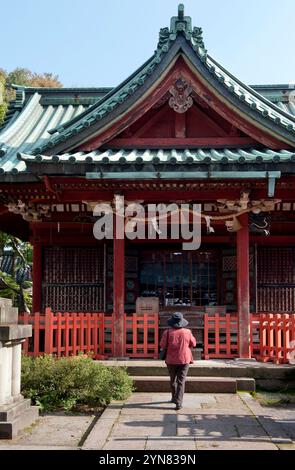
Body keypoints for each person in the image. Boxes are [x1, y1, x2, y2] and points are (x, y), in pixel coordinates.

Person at [160, 312, 197, 411]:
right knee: (181, 381)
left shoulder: (167, 332)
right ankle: (179, 402)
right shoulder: (188, 332)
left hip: (171, 359)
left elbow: (163, 346)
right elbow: (193, 343)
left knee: (172, 379)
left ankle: (173, 397)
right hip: (184, 359)